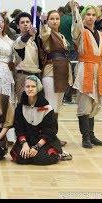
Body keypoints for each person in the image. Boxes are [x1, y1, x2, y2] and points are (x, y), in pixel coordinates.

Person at [70, 1, 102, 148]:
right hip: (84, 69)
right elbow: (76, 26)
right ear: (83, 17)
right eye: (88, 14)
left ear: (97, 17)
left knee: (95, 103)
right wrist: (75, 11)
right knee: (84, 104)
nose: (90, 17)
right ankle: (85, 137)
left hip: (98, 70)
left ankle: (92, 135)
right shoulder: (80, 33)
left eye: (93, 15)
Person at [10, 76, 66, 165]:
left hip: (43, 141)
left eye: (33, 86)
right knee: (22, 158)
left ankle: (59, 155)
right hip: (27, 140)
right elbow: (19, 128)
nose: (30, 89)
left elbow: (50, 131)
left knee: (40, 159)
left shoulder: (47, 108)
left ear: (38, 88)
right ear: (24, 88)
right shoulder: (20, 107)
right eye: (27, 86)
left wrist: (36, 147)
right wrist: (24, 144)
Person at [39, 10, 72, 146]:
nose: (55, 21)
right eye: (51, 18)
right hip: (51, 71)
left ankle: (52, 136)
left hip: (62, 71)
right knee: (50, 106)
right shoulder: (46, 33)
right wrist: (42, 22)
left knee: (57, 107)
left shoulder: (62, 36)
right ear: (48, 20)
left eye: (57, 18)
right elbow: (43, 34)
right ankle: (46, 137)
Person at [13, 12, 42, 101]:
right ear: (18, 26)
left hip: (35, 76)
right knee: (23, 104)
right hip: (23, 76)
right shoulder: (18, 40)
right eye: (22, 22)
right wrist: (29, 34)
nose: (25, 24)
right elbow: (22, 42)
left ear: (31, 24)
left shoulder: (33, 41)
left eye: (27, 22)